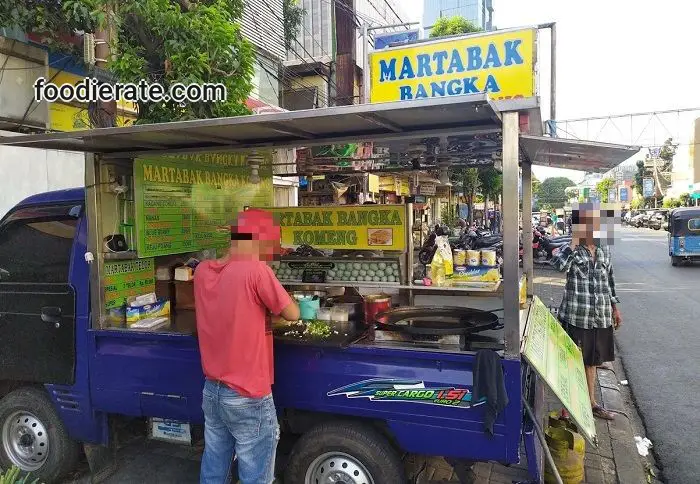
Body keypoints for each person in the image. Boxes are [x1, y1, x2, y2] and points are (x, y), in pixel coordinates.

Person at [194, 209, 300, 484]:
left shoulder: (202, 271)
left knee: (215, 464)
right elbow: (292, 313)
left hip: (212, 390)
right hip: (247, 394)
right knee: (256, 475)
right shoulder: (255, 270)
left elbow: (232, 307)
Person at [551, 202, 622, 420]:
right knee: (571, 362)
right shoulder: (573, 249)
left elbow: (609, 280)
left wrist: (615, 307)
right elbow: (558, 265)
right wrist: (573, 243)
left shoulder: (604, 249)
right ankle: (566, 409)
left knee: (592, 361)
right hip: (575, 316)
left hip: (599, 316)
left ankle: (591, 403)